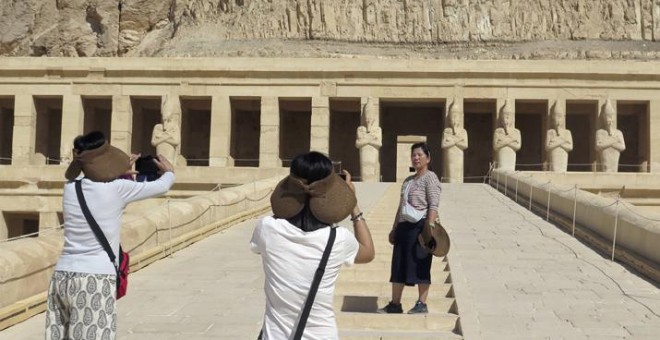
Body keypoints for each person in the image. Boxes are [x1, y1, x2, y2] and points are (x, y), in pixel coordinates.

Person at [46, 131, 175, 340]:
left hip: (62, 275)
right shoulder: (119, 189)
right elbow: (162, 185)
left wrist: (118, 171)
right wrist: (169, 171)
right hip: (94, 278)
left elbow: (97, 186)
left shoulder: (70, 188)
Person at [251, 151, 375, 340]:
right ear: (331, 190)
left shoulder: (267, 229)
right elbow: (368, 252)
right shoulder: (337, 238)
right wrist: (352, 204)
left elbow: (259, 247)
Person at [379, 142, 441, 314]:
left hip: (421, 226)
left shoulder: (431, 178)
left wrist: (429, 229)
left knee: (421, 263)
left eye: (420, 155)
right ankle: (395, 304)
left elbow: (433, 205)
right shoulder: (407, 181)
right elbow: (401, 206)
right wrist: (394, 228)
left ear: (428, 158)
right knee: (398, 265)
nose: (416, 158)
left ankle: (422, 303)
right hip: (404, 227)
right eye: (414, 155)